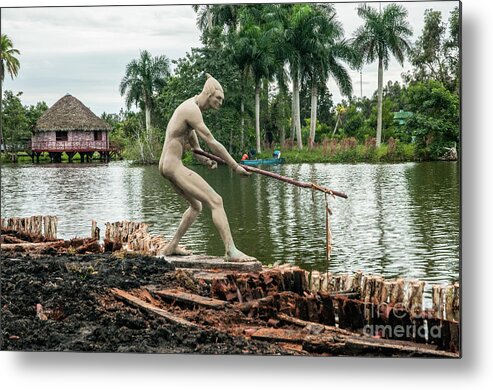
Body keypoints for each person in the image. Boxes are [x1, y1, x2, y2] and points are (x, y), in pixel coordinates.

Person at [159, 73, 256, 262]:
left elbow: (191, 136)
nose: (220, 102)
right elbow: (212, 141)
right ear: (209, 93)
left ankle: (171, 247)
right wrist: (234, 166)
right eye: (218, 98)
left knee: (196, 206)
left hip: (166, 166)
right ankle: (230, 250)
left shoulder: (190, 107)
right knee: (216, 201)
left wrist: (199, 153)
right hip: (173, 165)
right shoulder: (192, 110)